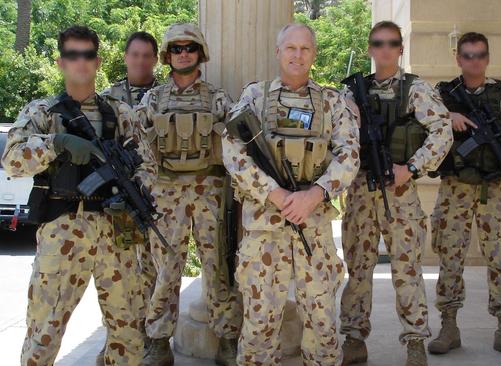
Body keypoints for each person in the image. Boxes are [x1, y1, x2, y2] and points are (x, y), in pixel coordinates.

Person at [1, 25, 156, 366]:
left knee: (128, 335)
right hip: (62, 231)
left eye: (87, 55)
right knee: (43, 335)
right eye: (72, 55)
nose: (80, 62)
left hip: (116, 232)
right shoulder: (43, 112)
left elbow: (148, 166)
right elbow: (11, 159)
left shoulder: (120, 114)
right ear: (61, 62)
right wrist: (55, 143)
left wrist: (134, 189)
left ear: (97, 61)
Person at [222, 23, 360, 365]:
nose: (298, 56)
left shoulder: (331, 102)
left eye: (305, 49)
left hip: (313, 227)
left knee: (323, 323)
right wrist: (276, 194)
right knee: (258, 327)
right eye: (291, 48)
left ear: (313, 54)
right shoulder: (255, 96)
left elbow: (350, 153)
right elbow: (233, 150)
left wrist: (315, 194)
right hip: (264, 230)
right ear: (278, 52)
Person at [338, 20, 453, 366]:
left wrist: (412, 168)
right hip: (360, 190)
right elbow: (336, 137)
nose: (384, 49)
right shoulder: (351, 91)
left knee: (407, 269)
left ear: (400, 49)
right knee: (358, 268)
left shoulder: (415, 89)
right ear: (371, 48)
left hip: (400, 191)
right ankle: (354, 339)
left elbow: (442, 131)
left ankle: (415, 342)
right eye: (378, 43)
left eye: (391, 43)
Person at [428, 31, 501, 359]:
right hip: (455, 189)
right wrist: (448, 116)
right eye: (467, 56)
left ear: (487, 58)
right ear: (458, 59)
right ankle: (449, 326)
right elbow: (421, 123)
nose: (474, 61)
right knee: (449, 258)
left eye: (479, 55)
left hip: (496, 189)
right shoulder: (441, 94)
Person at [137, 22, 242, 366]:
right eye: (177, 48)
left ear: (200, 53)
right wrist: (151, 189)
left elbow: (236, 146)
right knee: (166, 270)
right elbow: (138, 148)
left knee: (217, 268)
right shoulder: (153, 98)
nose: (184, 54)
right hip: (166, 195)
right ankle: (158, 341)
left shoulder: (217, 97)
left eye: (190, 48)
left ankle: (227, 337)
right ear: (168, 55)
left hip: (208, 192)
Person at [97, 30, 160, 364]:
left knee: (152, 272)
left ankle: (149, 339)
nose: (140, 61)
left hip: (154, 197)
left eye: (147, 55)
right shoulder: (106, 99)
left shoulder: (164, 95)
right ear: (125, 57)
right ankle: (115, 341)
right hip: (117, 201)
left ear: (155, 58)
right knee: (118, 275)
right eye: (135, 54)